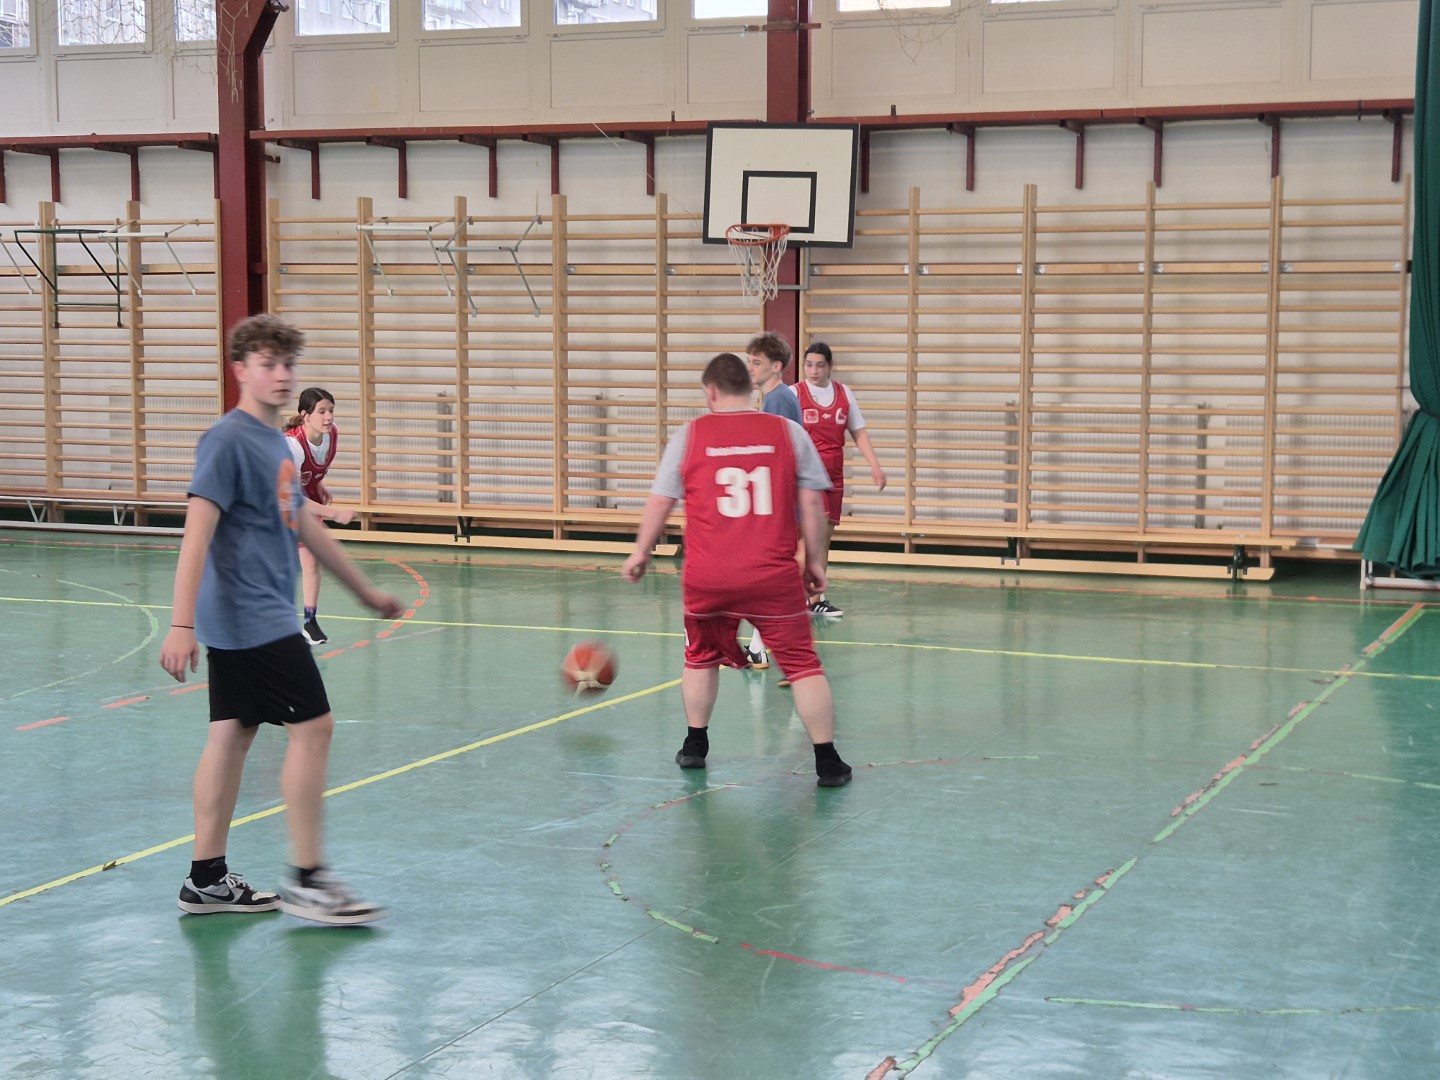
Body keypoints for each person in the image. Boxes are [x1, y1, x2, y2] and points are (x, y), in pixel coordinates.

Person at [159, 313, 405, 925]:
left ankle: (206, 880)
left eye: (287, 364)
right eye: (267, 363)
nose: (280, 374)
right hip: (251, 615)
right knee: (314, 728)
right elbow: (196, 536)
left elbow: (305, 527)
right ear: (240, 370)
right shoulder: (227, 441)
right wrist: (180, 624)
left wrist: (365, 592)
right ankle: (309, 880)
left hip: (249, 614)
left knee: (231, 733)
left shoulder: (276, 444)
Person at [622, 352, 853, 788]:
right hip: (770, 574)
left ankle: (695, 744)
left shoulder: (690, 435)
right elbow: (811, 503)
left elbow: (661, 500)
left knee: (699, 657)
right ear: (751, 388)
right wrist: (814, 561)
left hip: (708, 575)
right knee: (802, 665)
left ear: (710, 392)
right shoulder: (788, 432)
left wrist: (640, 552)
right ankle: (828, 761)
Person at [789, 341, 888, 618]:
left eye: (820, 365)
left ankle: (815, 599)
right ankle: (795, 599)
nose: (814, 370)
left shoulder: (844, 393)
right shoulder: (794, 394)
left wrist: (875, 466)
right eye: (809, 365)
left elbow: (859, 432)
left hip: (834, 473)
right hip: (807, 475)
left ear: (830, 366)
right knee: (807, 540)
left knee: (824, 540)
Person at [742, 332, 801, 668]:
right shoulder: (777, 397)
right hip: (780, 500)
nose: (750, 367)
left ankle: (763, 645)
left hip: (776, 502)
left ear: (776, 366)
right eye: (749, 361)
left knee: (762, 575)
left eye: (757, 362)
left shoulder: (778, 400)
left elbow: (776, 455)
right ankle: (759, 646)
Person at [284, 387, 356, 645]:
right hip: (278, 505)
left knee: (312, 562)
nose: (329, 417)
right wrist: (334, 512)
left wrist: (318, 483)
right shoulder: (292, 445)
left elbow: (308, 473)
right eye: (322, 411)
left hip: (305, 499)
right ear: (305, 415)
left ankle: (309, 622)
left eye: (331, 411)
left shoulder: (331, 434)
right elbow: (291, 497)